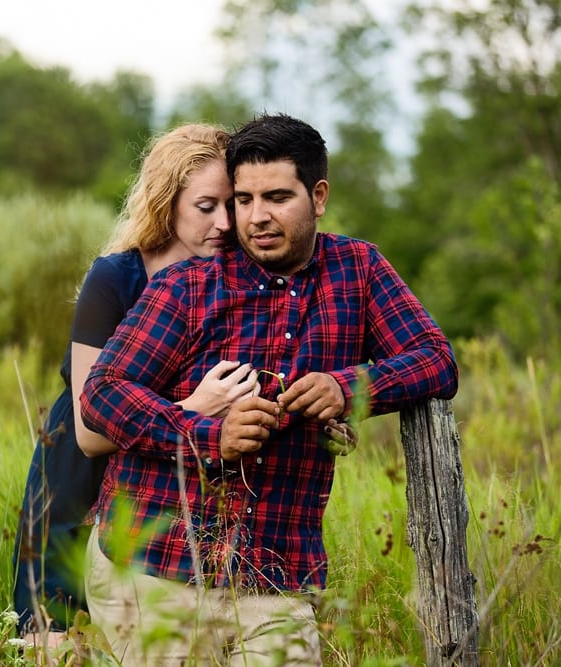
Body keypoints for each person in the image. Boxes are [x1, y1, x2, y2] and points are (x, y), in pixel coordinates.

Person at [79, 113, 459, 666]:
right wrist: (208, 434)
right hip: (153, 572)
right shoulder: (188, 287)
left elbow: (436, 360)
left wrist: (350, 386)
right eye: (244, 199)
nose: (257, 217)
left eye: (278, 197)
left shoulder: (359, 270)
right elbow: (104, 393)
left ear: (318, 195)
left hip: (276, 578)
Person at [12, 124, 259, 648]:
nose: (224, 223)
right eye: (206, 205)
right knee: (58, 639)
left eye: (231, 206)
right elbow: (88, 432)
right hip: (80, 478)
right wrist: (193, 407)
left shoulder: (238, 280)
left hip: (166, 486)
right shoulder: (116, 278)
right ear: (167, 202)